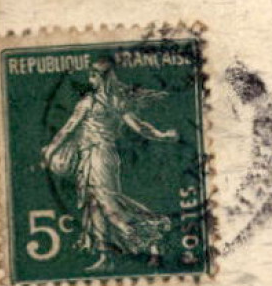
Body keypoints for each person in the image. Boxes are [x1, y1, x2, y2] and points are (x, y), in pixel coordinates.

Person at [40, 59, 178, 271]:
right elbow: (141, 128)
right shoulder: (115, 102)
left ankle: (153, 236)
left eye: (93, 76)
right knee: (94, 204)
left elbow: (67, 130)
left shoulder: (93, 103)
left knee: (109, 204)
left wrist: (50, 150)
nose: (90, 79)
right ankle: (106, 258)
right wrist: (163, 135)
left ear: (101, 78)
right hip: (91, 157)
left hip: (100, 157)